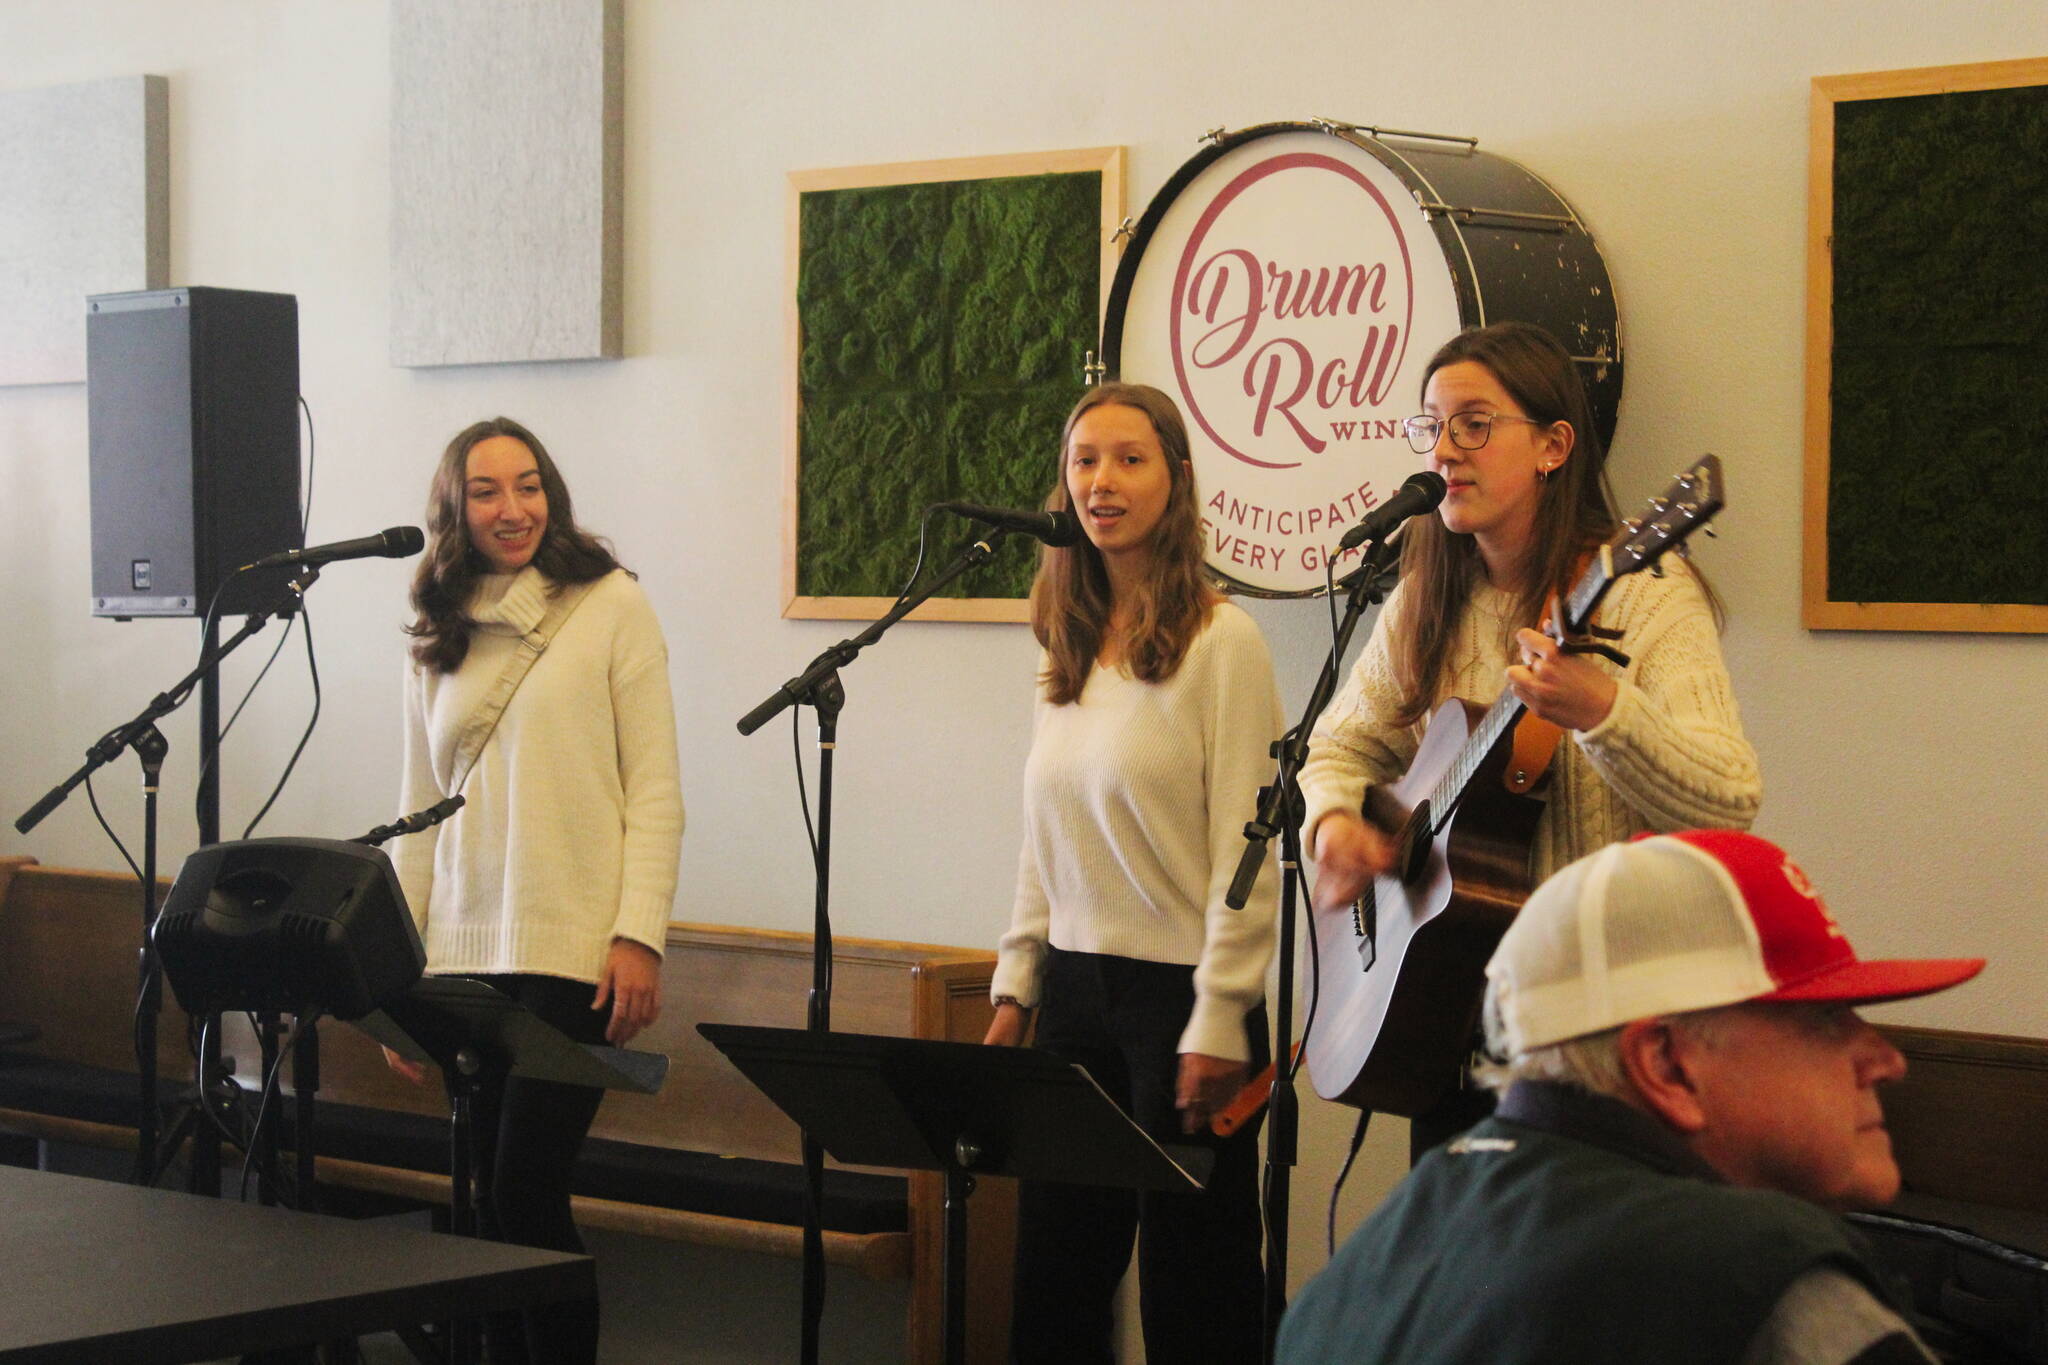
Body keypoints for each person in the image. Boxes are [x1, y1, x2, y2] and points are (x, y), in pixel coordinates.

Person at [1299, 321, 1763, 1152]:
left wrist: (1604, 713)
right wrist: (1335, 822)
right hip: (1449, 1016)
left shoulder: (1645, 596)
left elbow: (1730, 798)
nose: (1444, 450)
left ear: (1554, 446)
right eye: (1431, 426)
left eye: (1473, 424)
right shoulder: (1423, 597)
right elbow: (1337, 746)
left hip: (1602, 1035)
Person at [1276, 828, 1985, 1365]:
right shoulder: (1767, 1288)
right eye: (1825, 1021)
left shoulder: (1350, 1276)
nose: (1887, 1060)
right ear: (1666, 1064)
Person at [983, 382, 1283, 1364]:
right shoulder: (1062, 645)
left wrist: (1216, 1015)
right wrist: (1014, 984)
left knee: (1195, 1294)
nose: (1100, 481)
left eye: (1128, 458)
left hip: (1184, 1000)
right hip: (1073, 992)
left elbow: (1249, 848)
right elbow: (1045, 835)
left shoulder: (1220, 641)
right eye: (1083, 461)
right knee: (1054, 1284)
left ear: (1176, 480)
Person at [389, 416, 684, 1365]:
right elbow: (416, 805)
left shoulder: (609, 604)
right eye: (486, 490)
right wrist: (397, 978)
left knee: (524, 1189)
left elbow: (656, 787)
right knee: (477, 1200)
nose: (512, 508)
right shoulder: (436, 629)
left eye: (528, 485)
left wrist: (639, 934)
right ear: (454, 507)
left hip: (573, 952)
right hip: (464, 959)